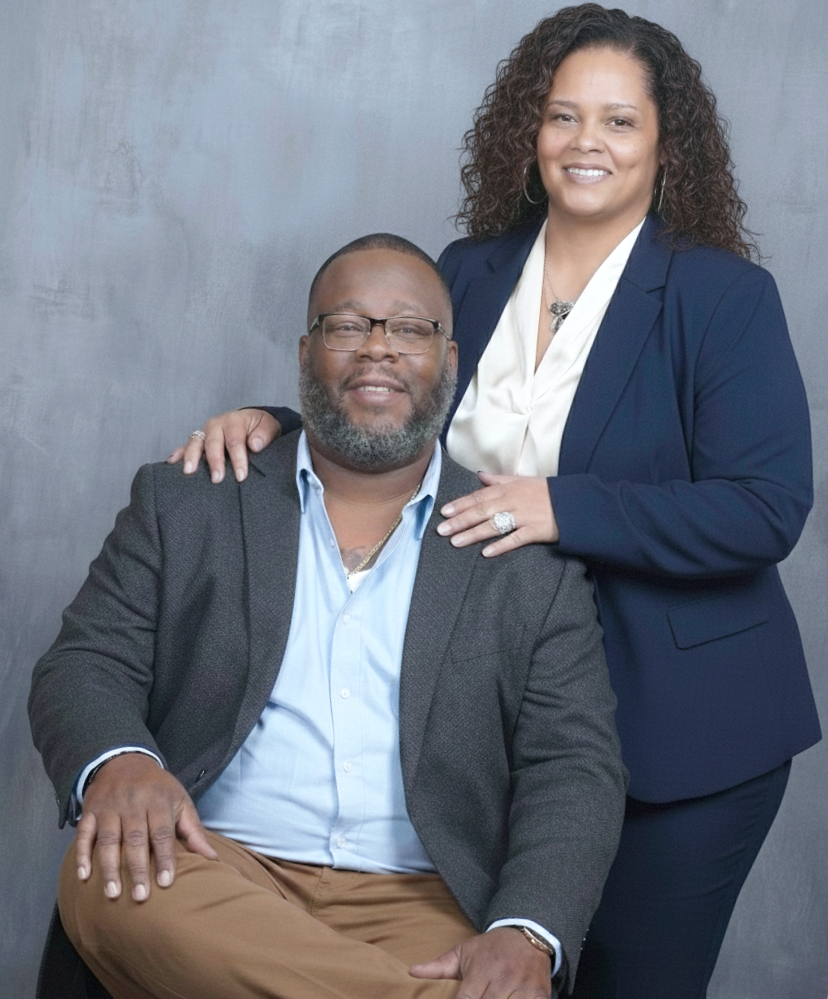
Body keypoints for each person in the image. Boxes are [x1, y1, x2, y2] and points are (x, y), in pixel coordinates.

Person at [173, 6, 821, 997]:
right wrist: (269, 424)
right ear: (529, 130)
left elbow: (766, 507)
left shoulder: (721, 296)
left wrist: (565, 507)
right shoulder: (469, 273)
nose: (584, 144)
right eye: (562, 117)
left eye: (618, 121)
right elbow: (392, 412)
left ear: (665, 143)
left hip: (684, 734)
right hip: (496, 724)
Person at [30, 234, 627, 999]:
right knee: (111, 883)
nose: (378, 349)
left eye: (410, 329)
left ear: (448, 363)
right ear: (307, 353)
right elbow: (84, 663)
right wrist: (122, 762)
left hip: (421, 896)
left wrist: (525, 929)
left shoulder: (525, 558)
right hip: (214, 870)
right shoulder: (189, 499)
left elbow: (574, 766)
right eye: (349, 326)